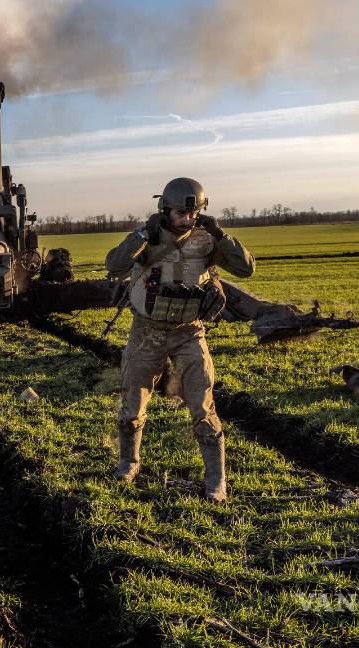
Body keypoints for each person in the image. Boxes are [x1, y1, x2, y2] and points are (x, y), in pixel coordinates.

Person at [104, 177, 254, 502]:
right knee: (133, 401)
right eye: (180, 213)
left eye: (194, 213)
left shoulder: (206, 240)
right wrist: (142, 235)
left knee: (202, 402)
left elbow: (246, 269)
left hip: (189, 331)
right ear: (164, 210)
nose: (187, 219)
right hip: (148, 330)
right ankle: (129, 461)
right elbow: (113, 265)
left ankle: (216, 480)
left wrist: (221, 235)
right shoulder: (147, 238)